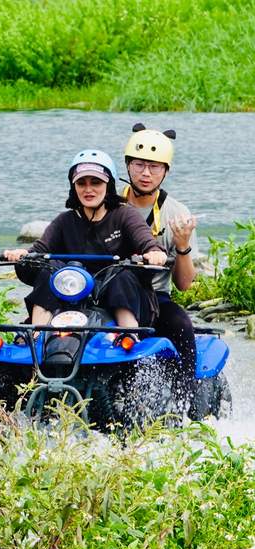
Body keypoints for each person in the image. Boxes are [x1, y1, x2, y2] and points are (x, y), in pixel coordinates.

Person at [3, 150, 166, 332]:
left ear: (108, 185)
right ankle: (37, 336)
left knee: (122, 276)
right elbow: (39, 249)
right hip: (72, 296)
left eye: (96, 182)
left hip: (120, 294)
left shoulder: (125, 215)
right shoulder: (65, 220)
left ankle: (130, 337)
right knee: (48, 272)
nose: (88, 189)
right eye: (81, 183)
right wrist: (23, 255)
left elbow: (146, 240)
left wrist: (154, 252)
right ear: (74, 187)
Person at [120, 124, 201, 413]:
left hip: (155, 297)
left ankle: (187, 402)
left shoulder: (177, 214)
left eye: (154, 167)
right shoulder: (107, 203)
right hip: (107, 295)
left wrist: (182, 246)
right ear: (128, 166)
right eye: (139, 164)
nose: (145, 173)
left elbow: (184, 285)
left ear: (165, 171)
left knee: (181, 324)